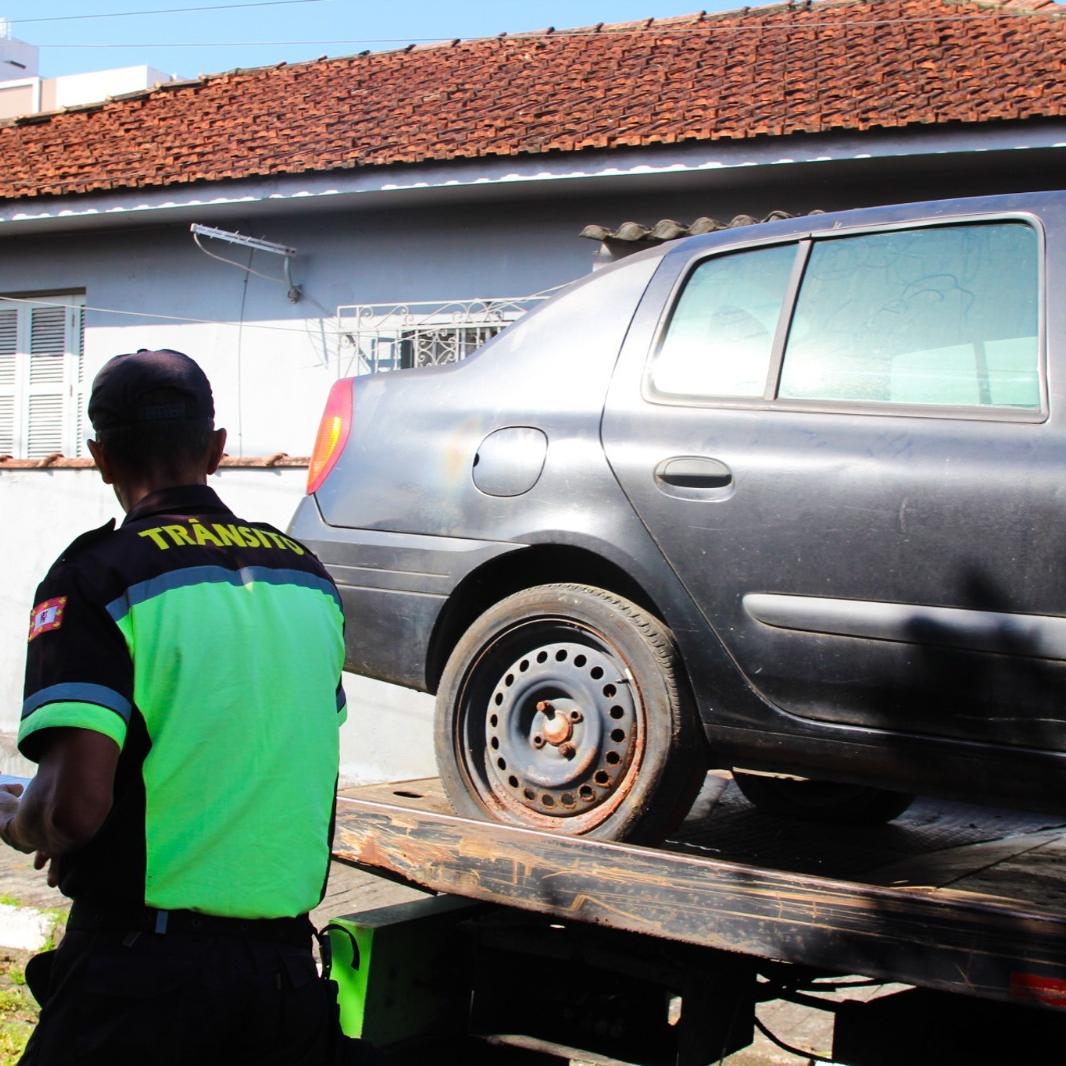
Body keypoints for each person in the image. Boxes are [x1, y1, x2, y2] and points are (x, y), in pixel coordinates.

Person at [0, 349, 347, 1065]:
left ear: (99, 458)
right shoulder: (306, 577)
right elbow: (255, 748)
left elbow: (69, 811)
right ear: (217, 450)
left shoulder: (96, 576)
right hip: (286, 981)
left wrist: (20, 819)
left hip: (143, 983)